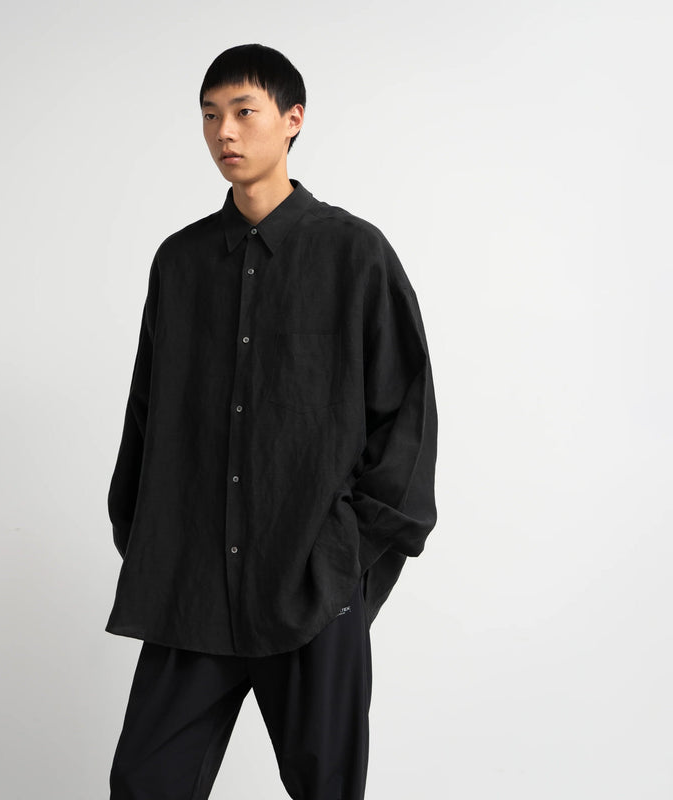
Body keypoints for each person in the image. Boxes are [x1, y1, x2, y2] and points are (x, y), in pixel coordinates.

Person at [106, 43, 438, 800]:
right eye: (210, 115)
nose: (224, 132)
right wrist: (148, 536)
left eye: (243, 111)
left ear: (293, 120)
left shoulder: (354, 254)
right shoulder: (180, 263)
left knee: (327, 788)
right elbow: (146, 415)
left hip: (310, 586)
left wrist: (346, 558)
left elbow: (406, 418)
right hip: (192, 587)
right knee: (144, 782)